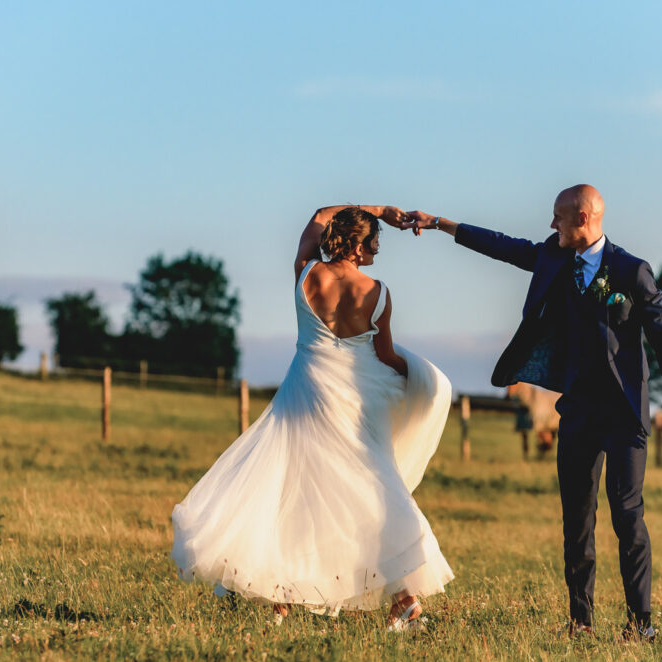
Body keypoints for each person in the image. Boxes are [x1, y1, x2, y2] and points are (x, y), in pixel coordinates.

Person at [402, 185, 662, 640]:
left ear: (582, 219)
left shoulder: (631, 271)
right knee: (577, 521)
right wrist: (441, 223)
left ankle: (641, 625)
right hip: (577, 411)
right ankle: (581, 623)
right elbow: (503, 246)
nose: (550, 225)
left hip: (624, 416)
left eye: (557, 217)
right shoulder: (553, 257)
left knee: (628, 516)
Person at [172, 205, 454, 631]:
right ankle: (404, 600)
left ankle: (281, 600)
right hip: (361, 401)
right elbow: (386, 355)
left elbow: (321, 213)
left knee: (291, 489)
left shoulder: (307, 273)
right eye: (375, 238)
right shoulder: (377, 292)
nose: (379, 246)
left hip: (306, 394)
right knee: (374, 488)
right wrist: (416, 377)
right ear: (359, 245)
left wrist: (377, 210)